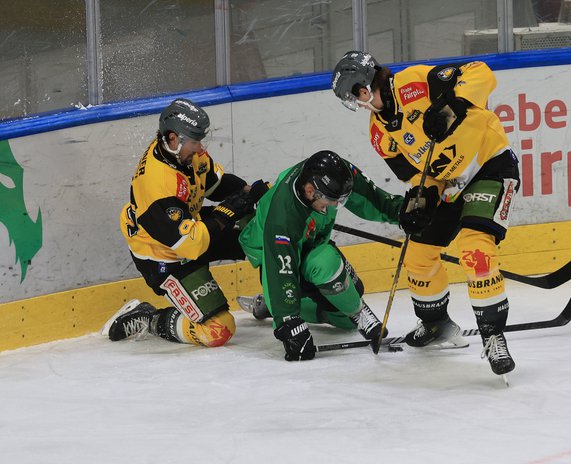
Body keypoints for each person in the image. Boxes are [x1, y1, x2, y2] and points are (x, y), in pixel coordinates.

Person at [331, 51, 520, 376]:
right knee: (417, 254)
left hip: (489, 163)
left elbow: (483, 74)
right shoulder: (380, 134)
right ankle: (435, 323)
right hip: (451, 184)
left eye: (354, 95)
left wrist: (453, 106)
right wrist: (420, 199)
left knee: (475, 249)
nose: (358, 103)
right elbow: (420, 177)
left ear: (362, 88)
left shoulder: (417, 82)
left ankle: (493, 335)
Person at [102, 98, 268, 347]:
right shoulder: (156, 184)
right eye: (195, 142)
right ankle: (148, 318)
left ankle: (273, 298)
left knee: (261, 231)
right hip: (166, 256)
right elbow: (190, 245)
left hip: (191, 228)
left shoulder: (184, 153)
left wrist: (252, 192)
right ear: (172, 139)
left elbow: (216, 184)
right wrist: (228, 210)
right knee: (218, 330)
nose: (201, 148)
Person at [237, 150, 403, 361]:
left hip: (309, 243)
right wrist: (288, 322)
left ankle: (270, 307)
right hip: (272, 254)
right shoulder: (282, 218)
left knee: (345, 316)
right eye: (330, 201)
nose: (334, 206)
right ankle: (278, 306)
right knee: (324, 263)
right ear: (309, 191)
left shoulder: (333, 173)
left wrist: (401, 212)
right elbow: (280, 272)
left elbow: (369, 197)